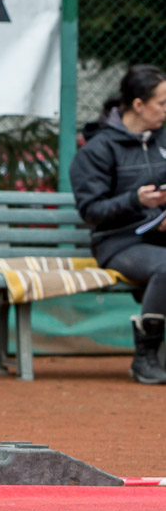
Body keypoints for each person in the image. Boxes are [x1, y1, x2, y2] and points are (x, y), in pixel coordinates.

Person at [70, 64, 166, 384]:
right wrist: (136, 201)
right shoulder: (99, 149)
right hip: (119, 242)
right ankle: (145, 358)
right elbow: (91, 210)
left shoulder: (163, 140)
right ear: (138, 105)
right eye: (162, 103)